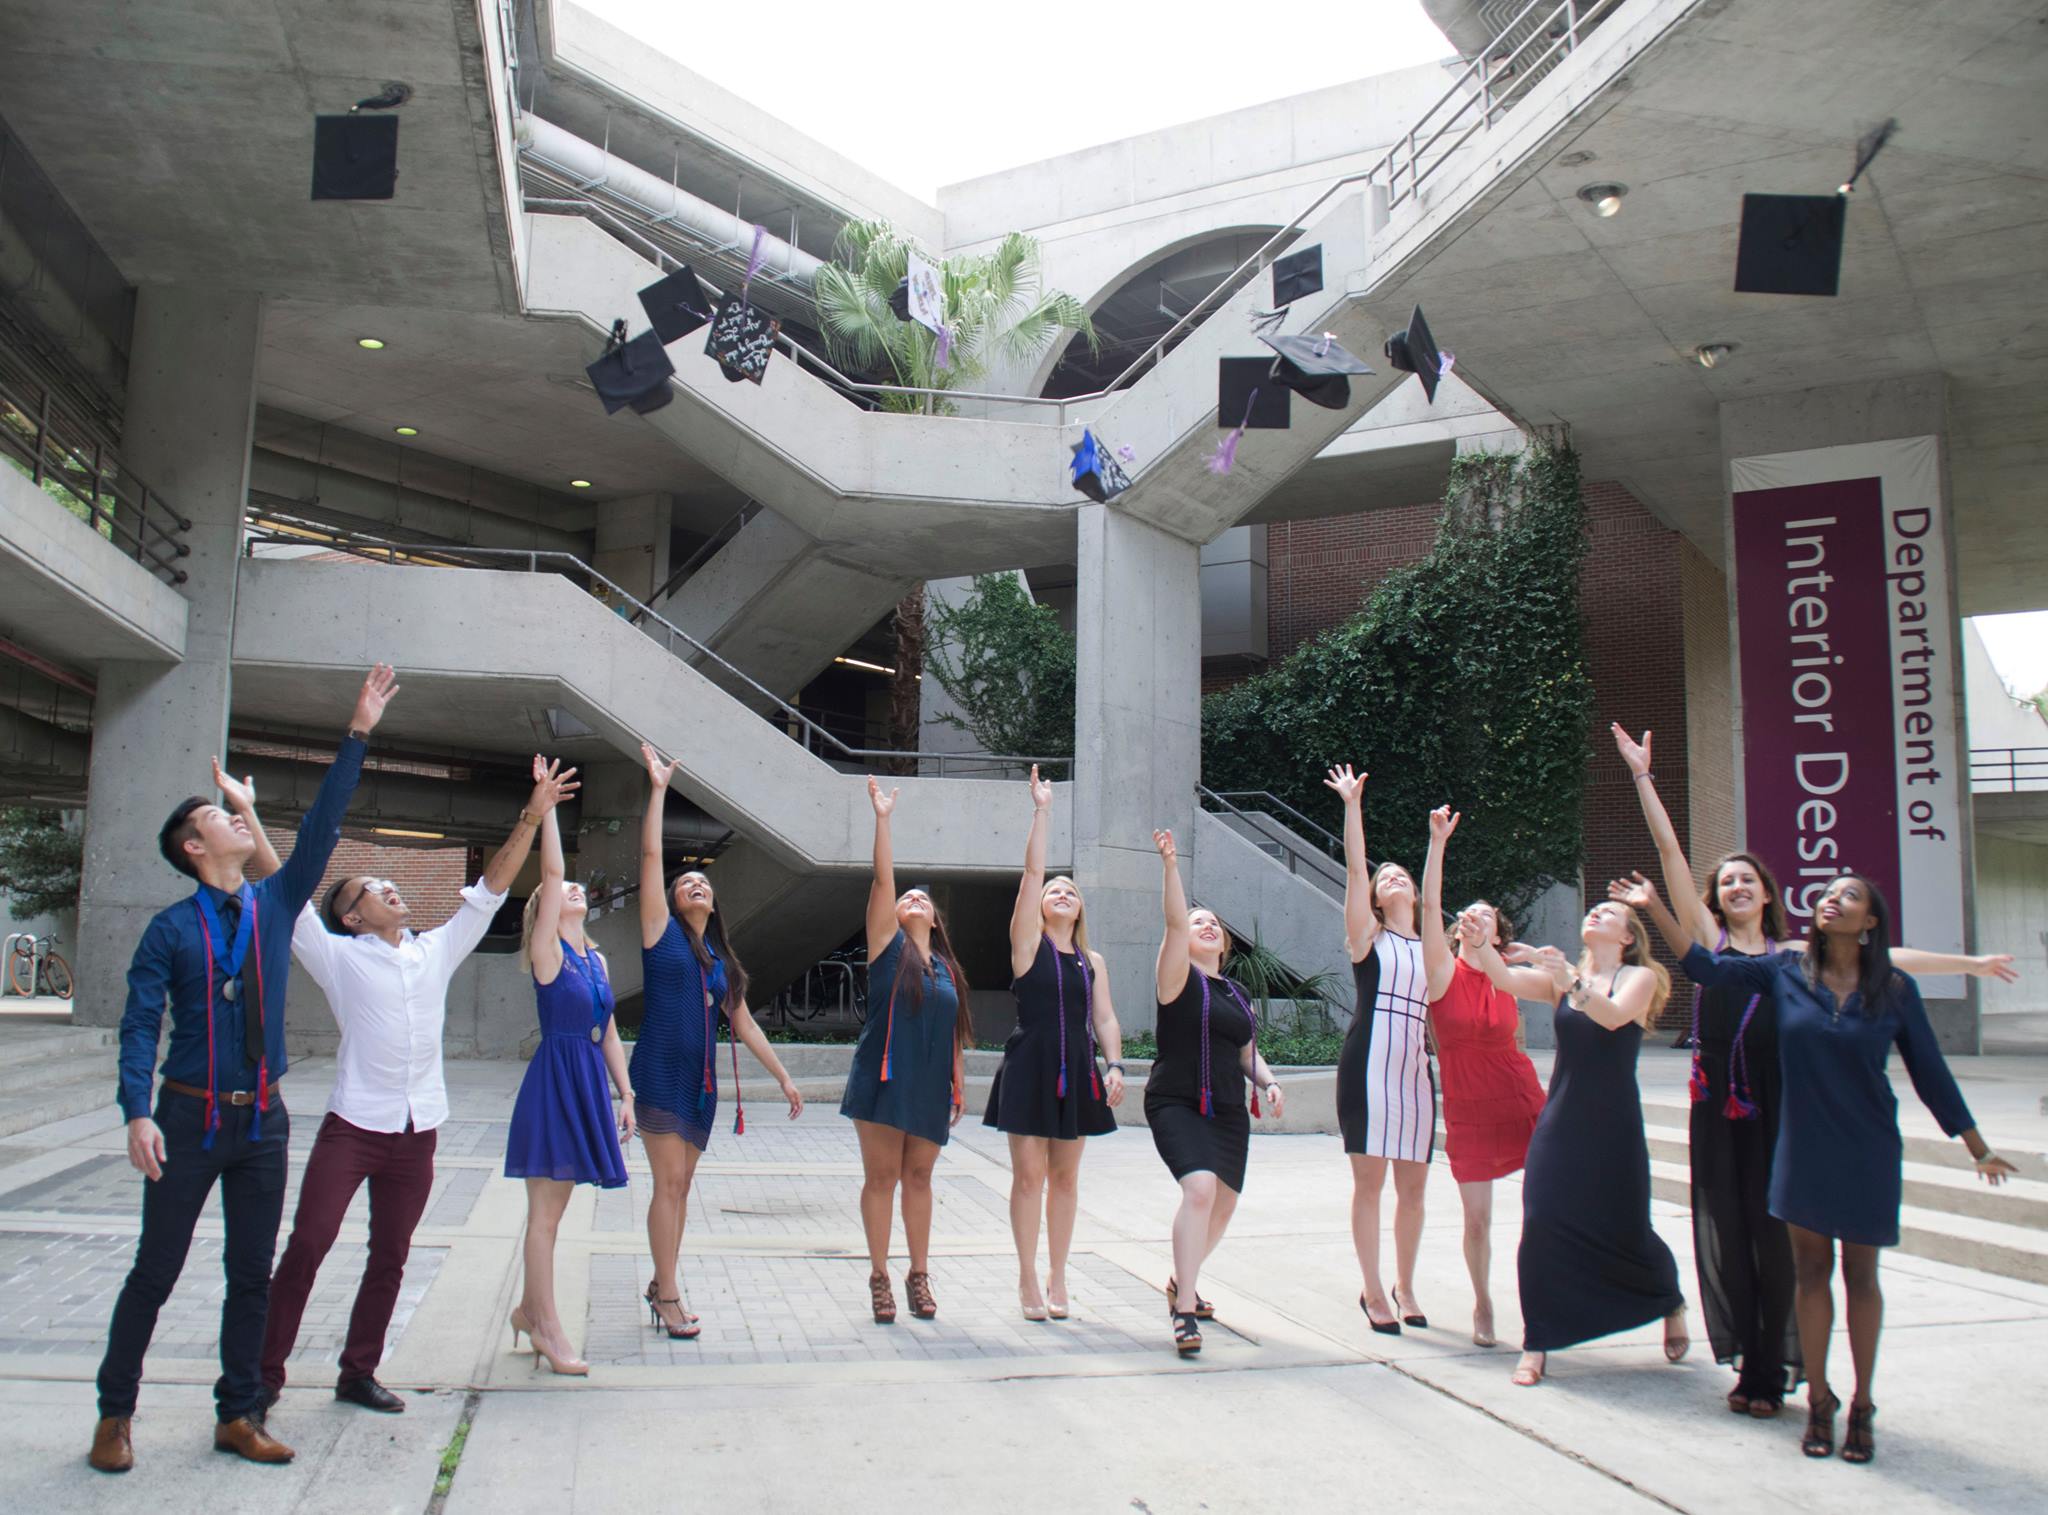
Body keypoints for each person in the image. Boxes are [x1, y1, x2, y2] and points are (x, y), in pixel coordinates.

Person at [1608, 723, 2015, 1418]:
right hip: (1727, 1102)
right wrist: (1643, 777)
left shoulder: (1802, 957)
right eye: (1725, 878)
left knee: (1803, 1253)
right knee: (1738, 1237)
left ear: (1768, 893)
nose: (1734, 883)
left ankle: (1806, 1374)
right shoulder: (1740, 952)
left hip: (1788, 1106)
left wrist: (1970, 964)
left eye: (1747, 878)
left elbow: (1895, 967)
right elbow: (1676, 866)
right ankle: (1768, 1371)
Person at [90, 665, 398, 1474]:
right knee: (155, 1271)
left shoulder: (272, 905)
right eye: (218, 817)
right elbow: (138, 1024)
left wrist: (358, 731)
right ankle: (115, 1413)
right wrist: (137, 1110)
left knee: (250, 1275)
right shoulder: (168, 929)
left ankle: (240, 1411)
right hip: (188, 1118)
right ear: (194, 848)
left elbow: (324, 828)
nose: (234, 818)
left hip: (261, 1118)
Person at [248, 754, 577, 1420]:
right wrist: (249, 812)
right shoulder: (334, 955)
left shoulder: (436, 950)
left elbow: (490, 888)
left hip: (417, 1130)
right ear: (351, 916)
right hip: (354, 1127)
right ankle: (262, 1379)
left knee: (391, 1255)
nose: (389, 886)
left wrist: (533, 813)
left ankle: (358, 1371)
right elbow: (282, 883)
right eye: (371, 886)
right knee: (309, 1241)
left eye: (387, 879)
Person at [1677, 873, 2019, 1465]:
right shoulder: (1784, 974)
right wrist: (1656, 903)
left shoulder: (1895, 990)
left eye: (1849, 895)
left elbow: (1930, 1073)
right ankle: (1819, 1401)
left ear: (1869, 924)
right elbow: (1705, 968)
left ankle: (1862, 1404)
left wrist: (1976, 1145)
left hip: (1867, 1149)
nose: (1831, 899)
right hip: (1801, 1146)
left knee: (1861, 1278)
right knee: (1810, 1273)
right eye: (1828, 892)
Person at [1471, 900, 1688, 1387]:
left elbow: (1611, 1017)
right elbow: (1503, 981)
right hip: (1562, 1117)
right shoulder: (1561, 979)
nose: (1595, 914)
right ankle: (1538, 1340)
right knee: (1542, 1219)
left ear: (1627, 937)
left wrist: (1566, 973)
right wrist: (1482, 944)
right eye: (1593, 910)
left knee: (1625, 1227)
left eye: (1608, 914)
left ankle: (1668, 1299)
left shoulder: (1639, 978)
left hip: (1613, 1124)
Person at [632, 742, 803, 1339]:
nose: (695, 886)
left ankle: (662, 1281)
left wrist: (782, 1075)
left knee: (682, 1187)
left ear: (715, 900)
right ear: (674, 901)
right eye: (687, 883)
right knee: (667, 1184)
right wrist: (658, 791)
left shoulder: (719, 961)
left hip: (701, 1083)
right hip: (658, 1070)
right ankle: (670, 1294)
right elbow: (652, 855)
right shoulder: (661, 934)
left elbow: (745, 1023)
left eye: (704, 882)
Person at [985, 765, 1125, 1321]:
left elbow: (1106, 1018)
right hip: (1031, 1064)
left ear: (1080, 906)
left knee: (1066, 1178)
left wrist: (1114, 1066)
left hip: (1080, 1069)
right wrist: (1042, 811)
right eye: (1054, 890)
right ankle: (1026, 1280)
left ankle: (1058, 1277)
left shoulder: (1093, 961)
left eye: (1071, 890)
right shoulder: (1027, 946)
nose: (1061, 892)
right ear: (1041, 906)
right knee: (1029, 1176)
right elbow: (1032, 871)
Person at [503, 803, 635, 1375]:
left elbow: (606, 1029)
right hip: (555, 1082)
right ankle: (546, 1327)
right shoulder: (548, 952)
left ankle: (531, 1310)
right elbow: (553, 875)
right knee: (547, 1216)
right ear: (547, 910)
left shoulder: (597, 960)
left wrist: (625, 1094)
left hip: (586, 1079)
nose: (574, 888)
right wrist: (549, 810)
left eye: (581, 888)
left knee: (556, 1211)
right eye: (565, 889)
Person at [1145, 827, 1284, 1357]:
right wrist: (1170, 866)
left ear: (1224, 945)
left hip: (1227, 1107)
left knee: (1223, 1205)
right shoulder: (1176, 976)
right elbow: (1175, 921)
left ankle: (1183, 1280)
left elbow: (1246, 1051)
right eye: (1198, 921)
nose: (1204, 926)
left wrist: (1268, 1082)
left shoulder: (1237, 992)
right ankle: (1184, 1313)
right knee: (1199, 1190)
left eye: (1213, 925)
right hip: (1177, 1100)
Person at [840, 777, 971, 1325]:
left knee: (919, 1178)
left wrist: (958, 1082)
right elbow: (883, 879)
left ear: (935, 920)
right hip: (882, 1076)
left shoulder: (947, 970)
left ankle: (919, 1274)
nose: (913, 898)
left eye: (924, 899)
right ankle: (879, 1276)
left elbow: (954, 1029)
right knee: (881, 1179)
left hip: (929, 1084)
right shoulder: (885, 948)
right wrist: (883, 819)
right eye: (905, 898)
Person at [1414, 805, 1545, 1348]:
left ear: (1497, 930)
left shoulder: (1510, 975)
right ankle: (1483, 1302)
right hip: (1468, 1108)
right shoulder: (1443, 971)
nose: (1473, 917)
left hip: (1520, 1097)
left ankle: (1545, 1302)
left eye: (1485, 914)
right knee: (1477, 1221)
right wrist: (1437, 842)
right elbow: (1429, 909)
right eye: (1467, 913)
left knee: (1548, 1211)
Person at [1325, 764, 1434, 1335]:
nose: (1391, 878)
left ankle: (1406, 1285)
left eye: (1401, 875)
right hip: (1367, 1068)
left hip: (1415, 1075)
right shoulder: (1369, 937)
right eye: (1383, 876)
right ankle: (1372, 1289)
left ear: (1415, 892)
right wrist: (1352, 805)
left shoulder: (1433, 942)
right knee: (1369, 1185)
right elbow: (1354, 869)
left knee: (1413, 1189)